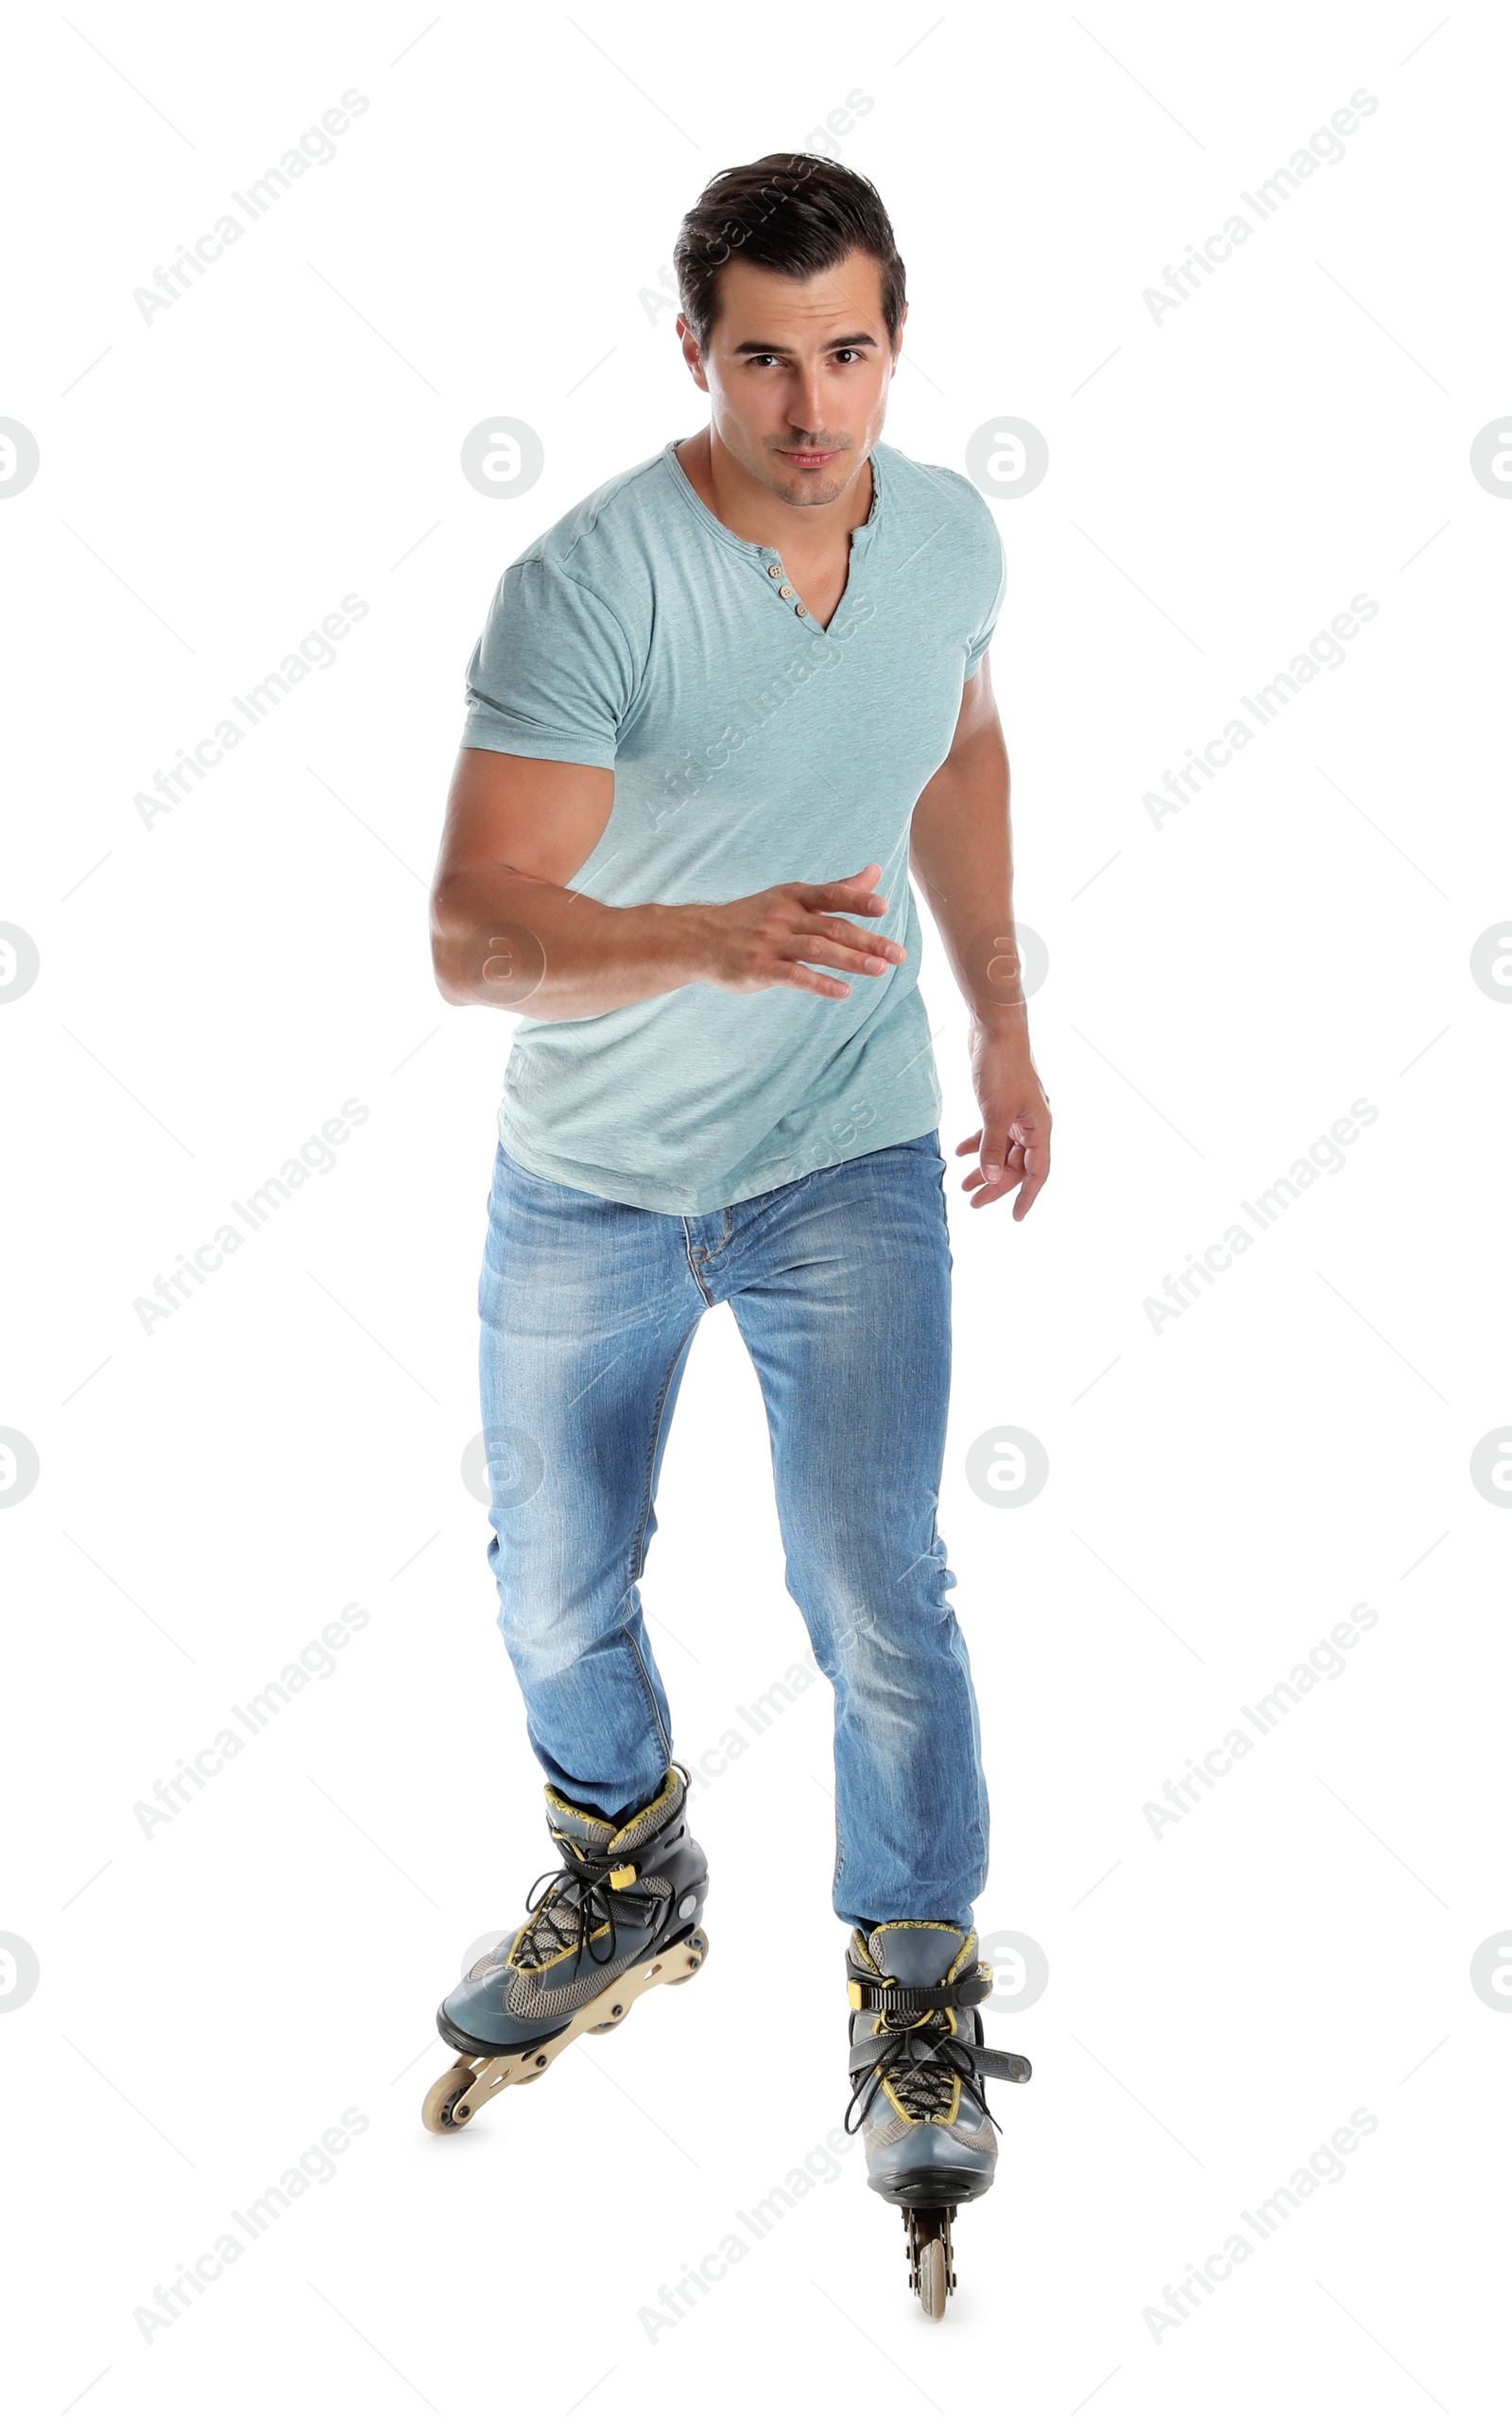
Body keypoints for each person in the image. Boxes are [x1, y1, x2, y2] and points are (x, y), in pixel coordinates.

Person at [421, 150, 1048, 2308]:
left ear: (894, 341)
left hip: (844, 1156)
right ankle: (623, 1863)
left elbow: (954, 755)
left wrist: (1005, 1030)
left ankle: (911, 1970)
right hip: (591, 1175)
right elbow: (471, 936)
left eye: (847, 351)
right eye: (762, 357)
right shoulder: (588, 584)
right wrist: (707, 933)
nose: (809, 406)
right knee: (552, 1576)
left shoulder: (947, 533)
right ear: (692, 348)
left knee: (876, 1577)